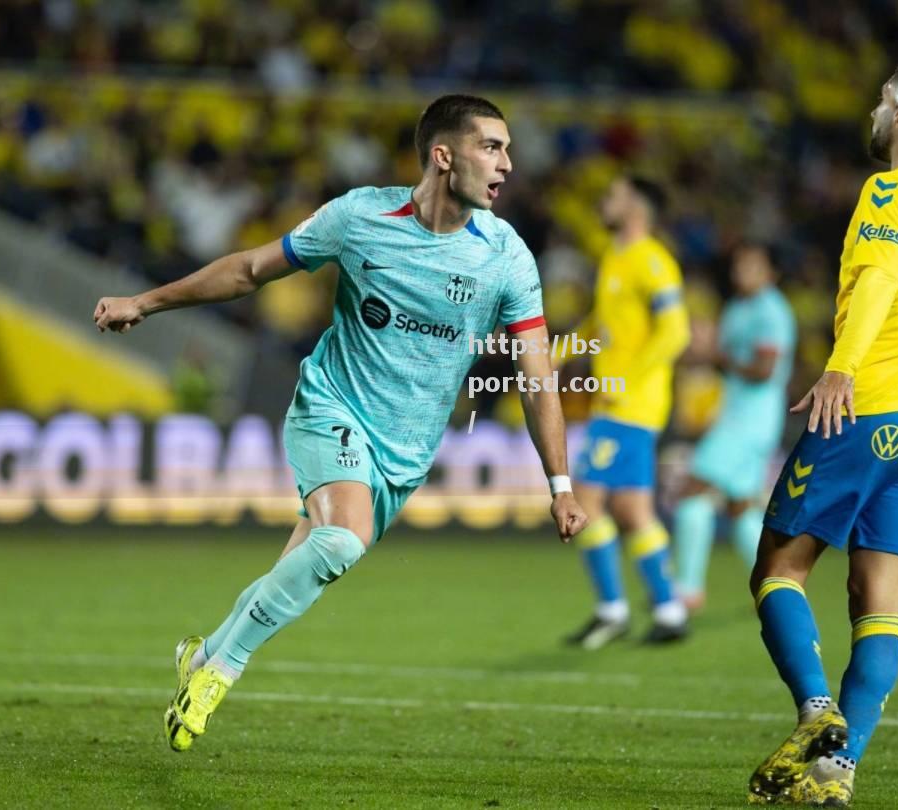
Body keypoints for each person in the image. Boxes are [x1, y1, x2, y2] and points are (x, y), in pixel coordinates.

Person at [93, 94, 588, 752]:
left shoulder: (505, 258)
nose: (507, 163)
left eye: (507, 149)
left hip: (406, 452)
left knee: (306, 561)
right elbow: (248, 271)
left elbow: (536, 377)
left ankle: (204, 649)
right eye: (491, 147)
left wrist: (559, 483)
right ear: (444, 156)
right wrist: (145, 302)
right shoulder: (359, 218)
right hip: (331, 407)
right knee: (342, 541)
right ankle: (219, 670)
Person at [744, 1, 898, 805]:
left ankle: (817, 711)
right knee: (876, 601)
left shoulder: (891, 193)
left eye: (879, 97)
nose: (869, 110)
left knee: (778, 568)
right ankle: (835, 773)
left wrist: (840, 369)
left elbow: (882, 280)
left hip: (866, 410)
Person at [564, 175, 692, 649]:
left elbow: (675, 331)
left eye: (613, 194)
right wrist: (562, 350)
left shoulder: (653, 260)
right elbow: (602, 322)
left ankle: (613, 610)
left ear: (637, 206)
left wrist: (628, 382)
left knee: (584, 501)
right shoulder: (615, 257)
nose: (604, 200)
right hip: (622, 405)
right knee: (633, 511)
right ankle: (668, 609)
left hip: (627, 405)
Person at [673, 243, 796, 611]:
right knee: (741, 507)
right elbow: (723, 362)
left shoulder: (771, 311)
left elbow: (764, 371)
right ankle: (778, 584)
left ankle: (686, 590)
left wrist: (716, 356)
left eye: (753, 265)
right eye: (740, 264)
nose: (743, 271)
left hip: (750, 419)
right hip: (739, 415)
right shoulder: (737, 307)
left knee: (693, 493)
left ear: (771, 273)